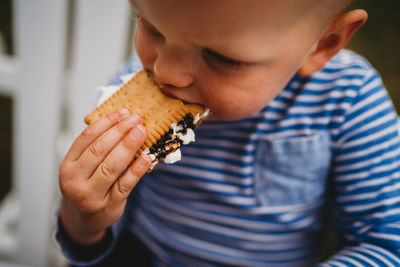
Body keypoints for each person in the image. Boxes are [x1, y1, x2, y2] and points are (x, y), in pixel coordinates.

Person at [55, 0, 400, 266]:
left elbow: (386, 242)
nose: (165, 72)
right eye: (151, 27)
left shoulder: (346, 98)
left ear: (323, 44)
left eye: (220, 58)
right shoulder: (130, 90)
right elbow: (98, 245)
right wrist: (84, 221)